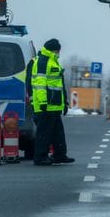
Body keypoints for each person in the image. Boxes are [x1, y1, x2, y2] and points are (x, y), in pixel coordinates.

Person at [31, 38, 75, 166]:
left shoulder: (53, 61)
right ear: (53, 50)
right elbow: (40, 83)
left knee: (58, 133)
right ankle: (40, 157)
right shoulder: (43, 62)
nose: (59, 53)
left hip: (54, 105)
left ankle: (59, 155)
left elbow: (58, 85)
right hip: (46, 106)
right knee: (44, 133)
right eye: (58, 50)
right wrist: (43, 101)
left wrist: (64, 103)